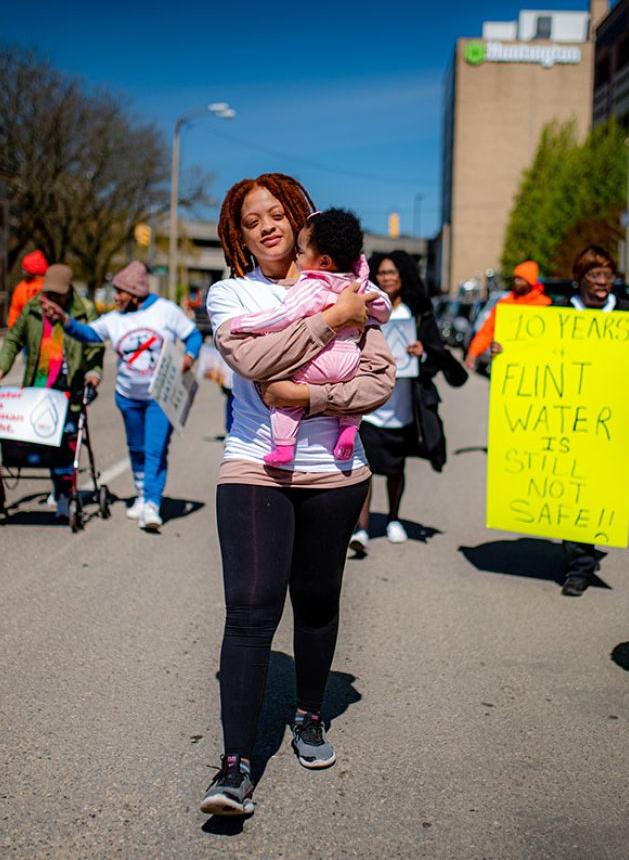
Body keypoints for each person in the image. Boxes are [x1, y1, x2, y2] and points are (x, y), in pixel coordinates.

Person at [199, 173, 395, 816]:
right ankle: (234, 766)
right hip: (255, 464)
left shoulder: (354, 285)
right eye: (252, 220)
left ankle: (309, 714)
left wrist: (309, 396)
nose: (267, 226)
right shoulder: (230, 295)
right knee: (251, 609)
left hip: (336, 474)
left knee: (315, 600)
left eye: (277, 213)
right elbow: (253, 363)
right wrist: (333, 321)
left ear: (299, 216)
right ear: (240, 235)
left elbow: (378, 380)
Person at [45, 261, 201, 531]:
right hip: (127, 396)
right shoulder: (114, 319)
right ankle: (142, 494)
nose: (114, 296)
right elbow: (88, 334)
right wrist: (64, 321)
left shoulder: (165, 311)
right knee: (136, 449)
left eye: (119, 291)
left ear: (135, 292)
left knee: (155, 449)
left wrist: (189, 356)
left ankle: (152, 504)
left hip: (159, 397)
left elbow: (193, 335)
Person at [226, 208, 390, 465]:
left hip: (316, 363)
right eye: (253, 222)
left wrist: (245, 323)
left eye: (301, 252)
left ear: (323, 262)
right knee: (352, 393)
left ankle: (283, 447)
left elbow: (284, 315)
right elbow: (383, 307)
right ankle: (348, 430)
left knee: (285, 399)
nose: (297, 256)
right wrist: (361, 311)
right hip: (349, 363)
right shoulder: (359, 286)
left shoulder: (312, 285)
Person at [553, 245, 629, 596]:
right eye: (595, 275)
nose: (603, 282)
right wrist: (505, 351)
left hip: (613, 419)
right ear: (579, 279)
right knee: (572, 489)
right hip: (567, 418)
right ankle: (579, 562)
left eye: (607, 275)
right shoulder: (560, 313)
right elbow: (535, 352)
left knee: (598, 489)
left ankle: (582, 552)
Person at [351, 250, 467, 554]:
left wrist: (423, 353)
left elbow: (438, 355)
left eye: (393, 273)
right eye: (382, 273)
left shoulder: (418, 311)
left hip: (404, 403)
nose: (387, 278)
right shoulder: (367, 307)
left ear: (404, 276)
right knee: (366, 466)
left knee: (395, 467)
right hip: (371, 405)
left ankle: (392, 518)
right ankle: (362, 529)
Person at [0, 264, 104, 520]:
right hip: (39, 386)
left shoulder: (83, 311)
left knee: (64, 442)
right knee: (40, 440)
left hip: (69, 389)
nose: (50, 301)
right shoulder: (32, 309)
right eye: (48, 295)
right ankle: (56, 487)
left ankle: (63, 493)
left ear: (68, 294)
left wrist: (93, 374)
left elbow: (95, 346)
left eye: (57, 296)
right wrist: (0, 369)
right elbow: (13, 340)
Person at [462, 260, 552, 369]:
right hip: (508, 365)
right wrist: (473, 352)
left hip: (534, 365)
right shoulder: (505, 303)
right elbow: (487, 331)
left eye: (520, 279)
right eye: (515, 279)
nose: (516, 282)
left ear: (530, 281)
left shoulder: (545, 304)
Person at [6, 250, 48, 328]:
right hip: (24, 329)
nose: (22, 271)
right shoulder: (21, 287)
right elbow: (15, 311)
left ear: (33, 268)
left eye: (25, 268)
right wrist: (13, 329)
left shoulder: (47, 286)